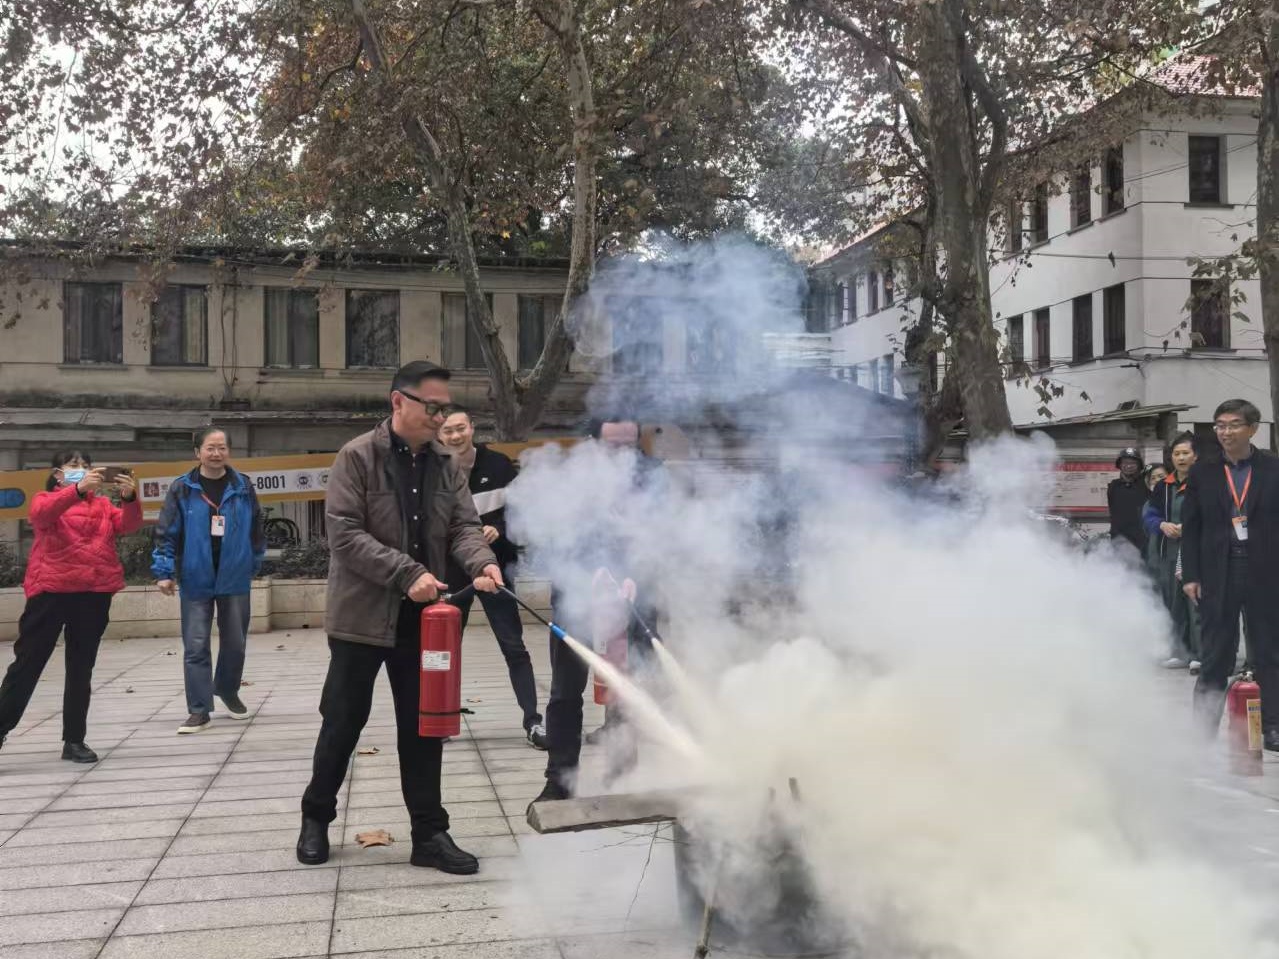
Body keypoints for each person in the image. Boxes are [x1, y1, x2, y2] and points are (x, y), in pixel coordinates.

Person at [297, 361, 504, 874]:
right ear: (398, 402)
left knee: (424, 726)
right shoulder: (357, 457)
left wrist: (482, 562)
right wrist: (406, 572)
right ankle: (316, 817)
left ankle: (429, 835)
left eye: (445, 409)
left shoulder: (446, 463)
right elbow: (344, 534)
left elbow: (463, 526)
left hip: (422, 621)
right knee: (343, 721)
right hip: (361, 618)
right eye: (431, 407)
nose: (439, 418)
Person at [533, 417, 660, 805]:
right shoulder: (571, 478)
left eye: (630, 445)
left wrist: (638, 573)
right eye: (613, 446)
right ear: (593, 442)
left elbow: (668, 536)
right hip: (578, 594)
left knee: (628, 689)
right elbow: (552, 535)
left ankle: (623, 774)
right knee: (565, 692)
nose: (623, 455)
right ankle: (560, 779)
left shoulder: (654, 476)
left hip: (635, 599)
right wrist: (588, 574)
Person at [0, 452, 141, 762]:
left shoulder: (102, 506)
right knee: (28, 664)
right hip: (50, 593)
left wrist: (130, 498)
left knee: (81, 667)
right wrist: (76, 491)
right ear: (58, 474)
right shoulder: (45, 499)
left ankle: (74, 740)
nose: (82, 470)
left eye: (86, 466)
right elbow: (42, 516)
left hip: (93, 593)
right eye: (74, 466)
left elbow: (129, 525)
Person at [436, 407, 546, 749]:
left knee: (513, 645)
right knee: (445, 649)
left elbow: (522, 514)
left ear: (472, 428)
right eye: (448, 431)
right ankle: (440, 720)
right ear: (439, 435)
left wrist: (498, 528)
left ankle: (533, 721)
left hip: (494, 568)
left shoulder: (498, 465)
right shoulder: (432, 470)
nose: (455, 436)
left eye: (460, 428)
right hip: (451, 571)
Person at [152, 427, 265, 734]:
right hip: (196, 575)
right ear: (197, 452)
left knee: (235, 642)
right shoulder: (182, 488)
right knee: (196, 645)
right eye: (210, 448)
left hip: (234, 575)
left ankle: (227, 689)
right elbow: (166, 532)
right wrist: (164, 572)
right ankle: (199, 710)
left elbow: (256, 528)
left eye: (222, 448)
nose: (217, 454)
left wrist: (253, 562)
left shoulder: (243, 485)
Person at [1181, 399, 1279, 748]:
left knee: (1268, 652)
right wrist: (1191, 575)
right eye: (1220, 425)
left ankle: (1272, 727)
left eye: (1234, 425)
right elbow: (1191, 528)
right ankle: (1202, 731)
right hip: (1217, 571)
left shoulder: (1272, 469)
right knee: (1215, 655)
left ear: (1252, 429)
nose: (1225, 432)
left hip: (1266, 571)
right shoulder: (1203, 473)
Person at [1143, 433, 1200, 671]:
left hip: (1196, 551)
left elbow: (1216, 514)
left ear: (1196, 456)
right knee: (1173, 603)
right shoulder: (1163, 486)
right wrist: (1162, 525)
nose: (1181, 458)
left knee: (1195, 602)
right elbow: (1150, 515)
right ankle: (1180, 652)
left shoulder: (1204, 483)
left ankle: (1200, 654)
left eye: (1186, 453)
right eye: (1177, 454)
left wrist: (1191, 527)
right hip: (1169, 551)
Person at [1108, 447, 1148, 555]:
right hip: (1119, 540)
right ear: (1120, 465)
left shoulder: (1146, 485)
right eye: (1125, 463)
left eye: (1133, 463)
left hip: (1142, 540)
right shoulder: (1113, 486)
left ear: (1139, 465)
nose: (1129, 466)